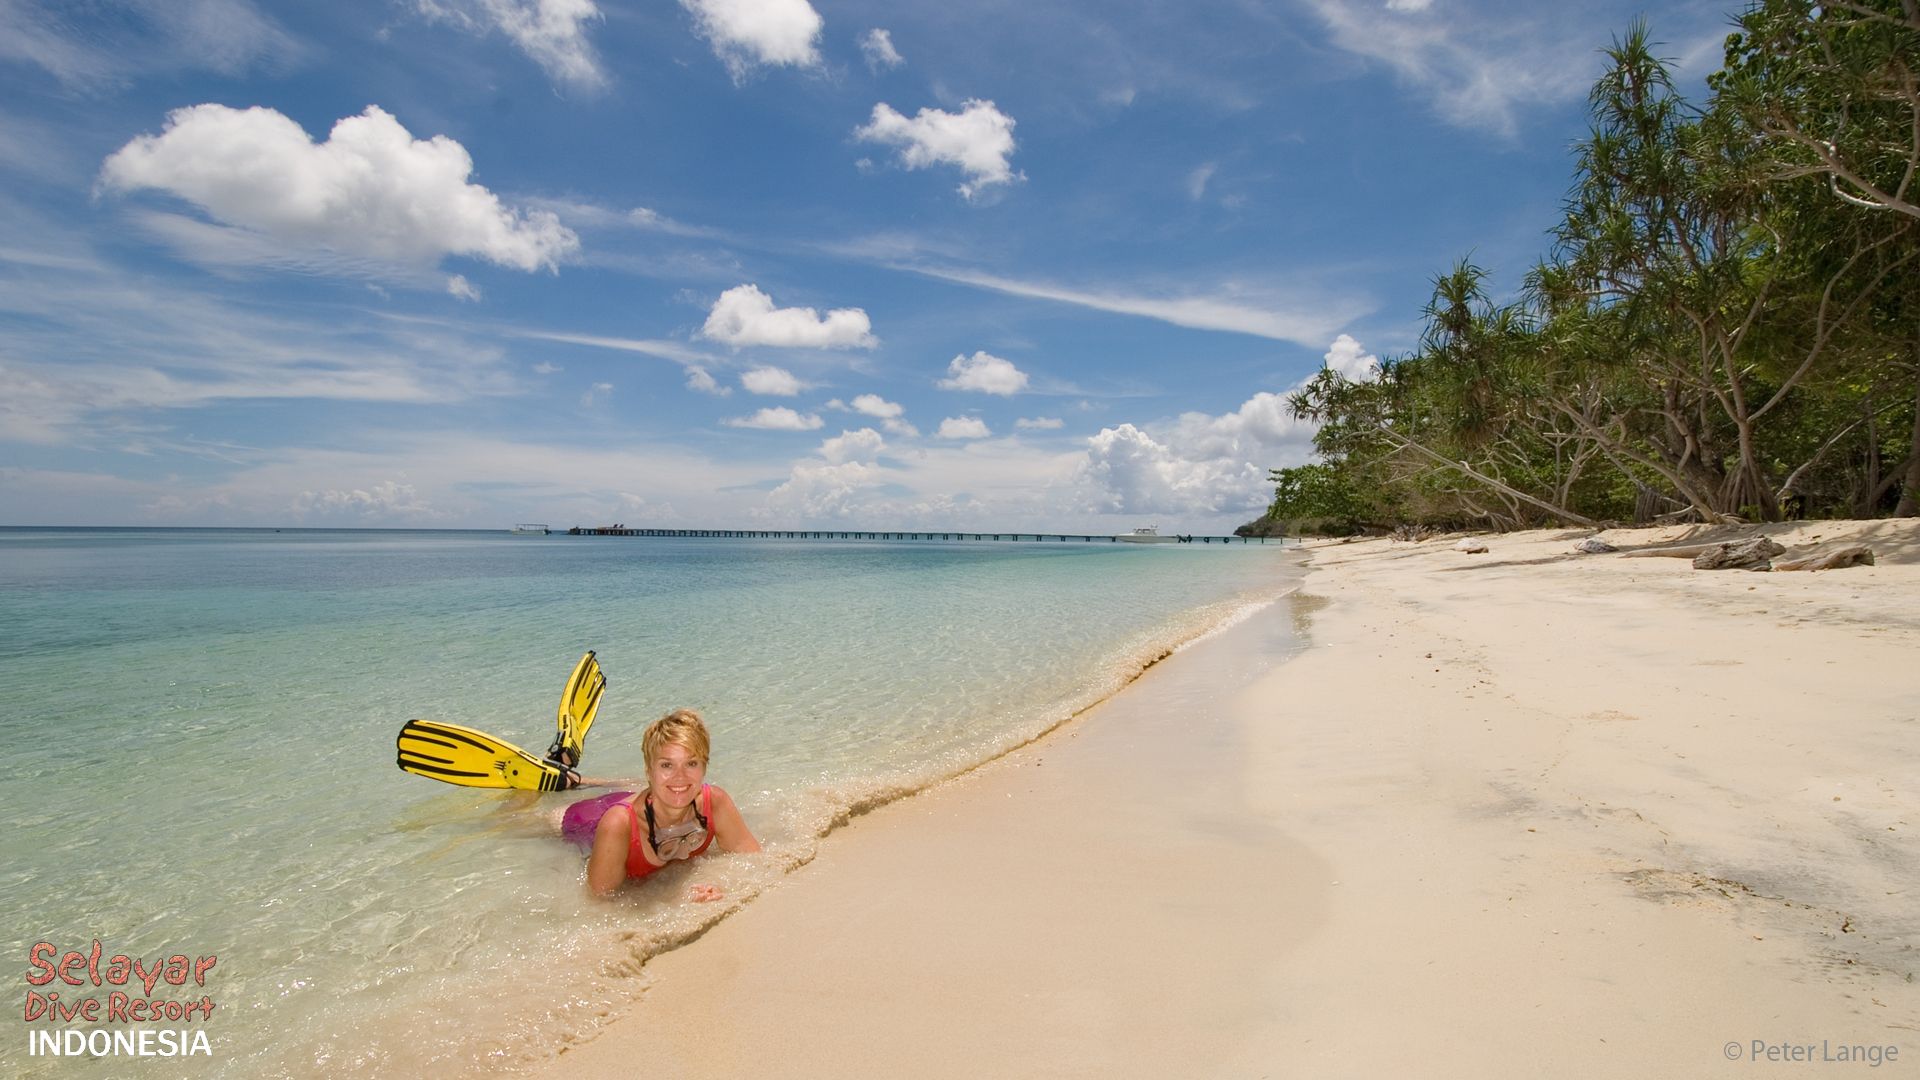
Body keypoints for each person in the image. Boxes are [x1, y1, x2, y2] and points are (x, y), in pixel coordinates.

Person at [559, 709, 760, 900]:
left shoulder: (715, 802)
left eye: (691, 763)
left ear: (704, 767)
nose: (680, 776)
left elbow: (755, 863)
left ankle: (586, 780)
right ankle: (567, 777)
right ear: (648, 770)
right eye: (667, 765)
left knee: (672, 786)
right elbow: (601, 903)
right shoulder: (617, 825)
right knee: (546, 821)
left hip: (653, 796)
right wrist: (674, 898)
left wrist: (720, 885)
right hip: (588, 820)